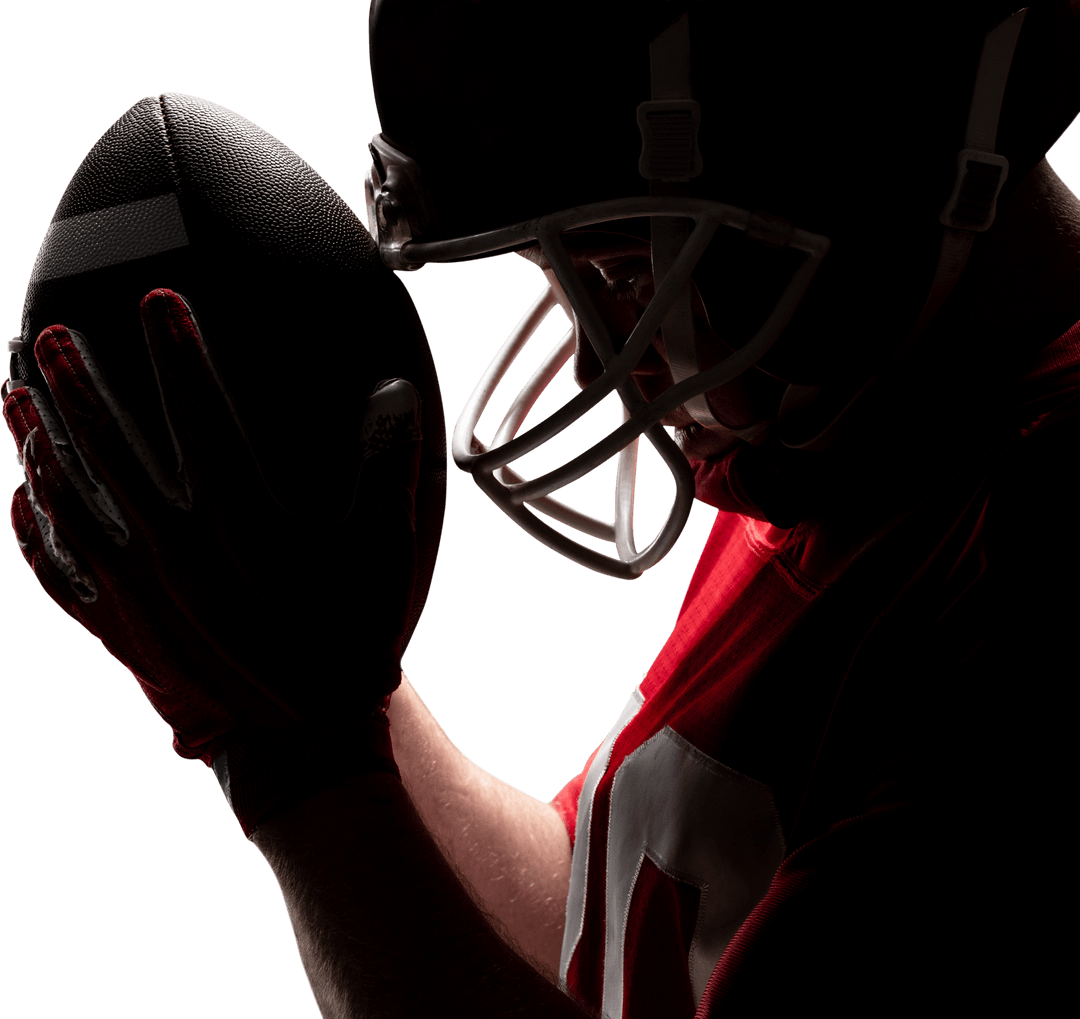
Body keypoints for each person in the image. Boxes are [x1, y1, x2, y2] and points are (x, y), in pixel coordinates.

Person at [6, 2, 1080, 1017]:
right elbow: (603, 929)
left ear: (855, 170)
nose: (595, 354)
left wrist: (297, 769)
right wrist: (301, 660)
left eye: (620, 264)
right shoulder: (865, 446)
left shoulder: (1025, 580)